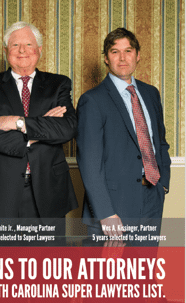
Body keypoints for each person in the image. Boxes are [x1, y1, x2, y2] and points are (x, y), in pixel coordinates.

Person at [0, 21, 78, 219]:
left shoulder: (58, 84)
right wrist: (41, 128)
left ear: (39, 50)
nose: (22, 51)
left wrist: (18, 123)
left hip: (48, 192)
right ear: (5, 51)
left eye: (28, 45)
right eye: (14, 45)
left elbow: (67, 128)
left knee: (48, 251)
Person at [76, 28, 171, 242]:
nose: (122, 58)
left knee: (145, 271)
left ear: (137, 55)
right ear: (106, 59)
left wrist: (163, 182)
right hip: (113, 205)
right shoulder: (92, 100)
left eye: (128, 51)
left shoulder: (150, 93)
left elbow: (160, 143)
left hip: (152, 198)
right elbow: (90, 162)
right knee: (110, 274)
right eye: (114, 51)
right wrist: (106, 212)